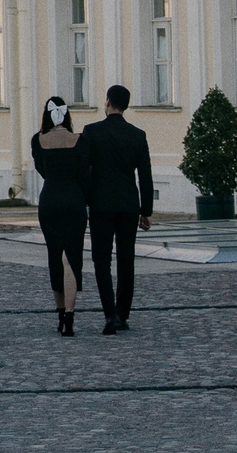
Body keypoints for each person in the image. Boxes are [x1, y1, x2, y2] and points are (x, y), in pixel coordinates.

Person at [75, 82, 154, 334]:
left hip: (100, 204)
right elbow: (145, 175)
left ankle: (110, 314)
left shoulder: (91, 132)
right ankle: (123, 313)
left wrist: (87, 198)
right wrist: (146, 210)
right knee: (126, 259)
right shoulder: (137, 135)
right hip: (129, 204)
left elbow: (83, 171)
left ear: (107, 102)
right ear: (126, 105)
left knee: (101, 260)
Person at [29, 96, 86, 336]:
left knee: (54, 255)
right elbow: (84, 171)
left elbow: (41, 169)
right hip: (74, 200)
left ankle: (60, 314)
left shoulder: (38, 140)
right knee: (71, 258)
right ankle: (70, 316)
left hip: (50, 200)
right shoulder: (79, 140)